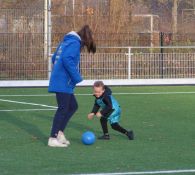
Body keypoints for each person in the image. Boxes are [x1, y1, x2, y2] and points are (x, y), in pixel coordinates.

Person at [48, 25, 96, 147]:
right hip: (63, 81)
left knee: (72, 106)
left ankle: (59, 133)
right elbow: (67, 59)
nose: (84, 48)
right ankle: (52, 138)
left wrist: (60, 72)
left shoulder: (67, 41)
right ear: (85, 39)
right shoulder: (74, 43)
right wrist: (76, 77)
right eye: (85, 45)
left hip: (62, 80)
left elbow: (54, 58)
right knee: (63, 108)